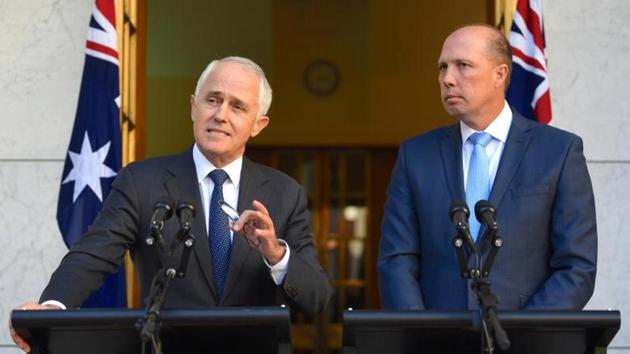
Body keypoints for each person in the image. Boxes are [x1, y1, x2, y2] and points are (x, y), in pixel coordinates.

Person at [11, 56, 332, 352]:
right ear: (194, 106)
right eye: (213, 100)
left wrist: (276, 254)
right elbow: (95, 252)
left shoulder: (284, 193)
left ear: (258, 124)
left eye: (237, 107)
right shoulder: (141, 181)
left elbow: (317, 297)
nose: (220, 115)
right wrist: (52, 308)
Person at [378, 24, 597, 310]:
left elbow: (576, 265)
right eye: (443, 67)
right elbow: (397, 259)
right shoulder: (416, 155)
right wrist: (421, 334)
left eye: (463, 65)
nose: (447, 79)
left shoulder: (559, 152)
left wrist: (526, 334)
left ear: (500, 74)